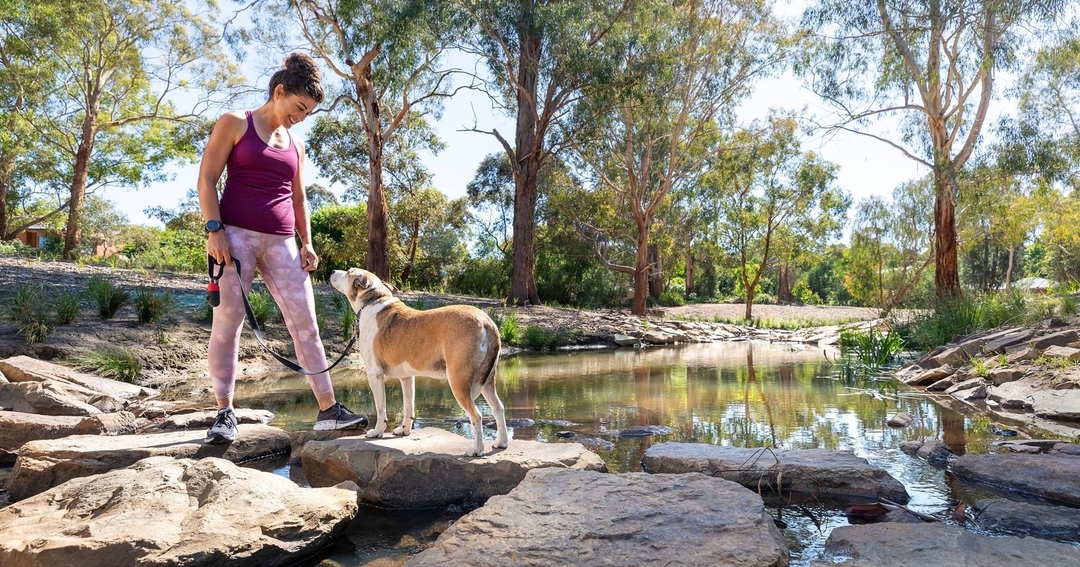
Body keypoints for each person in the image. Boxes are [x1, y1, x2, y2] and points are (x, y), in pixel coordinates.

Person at [197, 53, 366, 443]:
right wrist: (214, 230)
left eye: (308, 113)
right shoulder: (235, 122)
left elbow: (299, 197)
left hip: (283, 242)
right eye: (299, 107)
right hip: (234, 235)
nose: (301, 117)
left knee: (305, 324)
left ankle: (329, 410)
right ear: (279, 92)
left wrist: (307, 242)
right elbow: (206, 179)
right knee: (228, 325)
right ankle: (225, 413)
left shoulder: (296, 144)